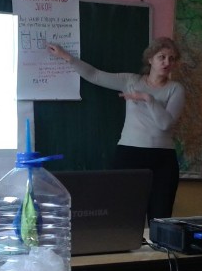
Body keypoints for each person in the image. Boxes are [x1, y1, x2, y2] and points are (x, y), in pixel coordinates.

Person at [47, 37, 185, 221]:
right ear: (150, 59)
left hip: (163, 159)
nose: (167, 62)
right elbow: (94, 75)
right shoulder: (131, 81)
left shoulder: (176, 89)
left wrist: (148, 99)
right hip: (129, 154)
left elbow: (165, 124)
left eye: (171, 58)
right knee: (122, 213)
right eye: (162, 57)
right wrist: (66, 56)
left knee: (160, 216)